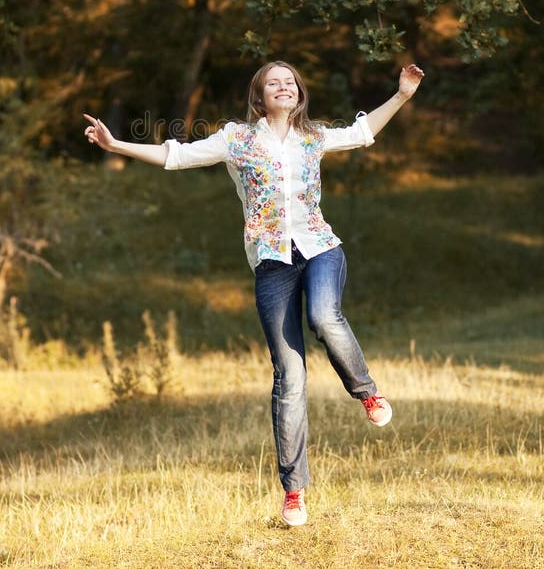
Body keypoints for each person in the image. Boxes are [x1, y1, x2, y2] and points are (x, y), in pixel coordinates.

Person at [84, 59, 424, 527]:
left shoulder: (313, 136)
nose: (283, 88)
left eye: (290, 82)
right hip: (271, 264)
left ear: (299, 93)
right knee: (289, 376)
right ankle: (295, 493)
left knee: (324, 317)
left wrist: (403, 94)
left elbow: (363, 132)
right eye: (274, 83)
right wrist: (113, 143)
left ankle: (366, 393)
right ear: (259, 96)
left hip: (320, 248)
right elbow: (175, 156)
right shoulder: (235, 140)